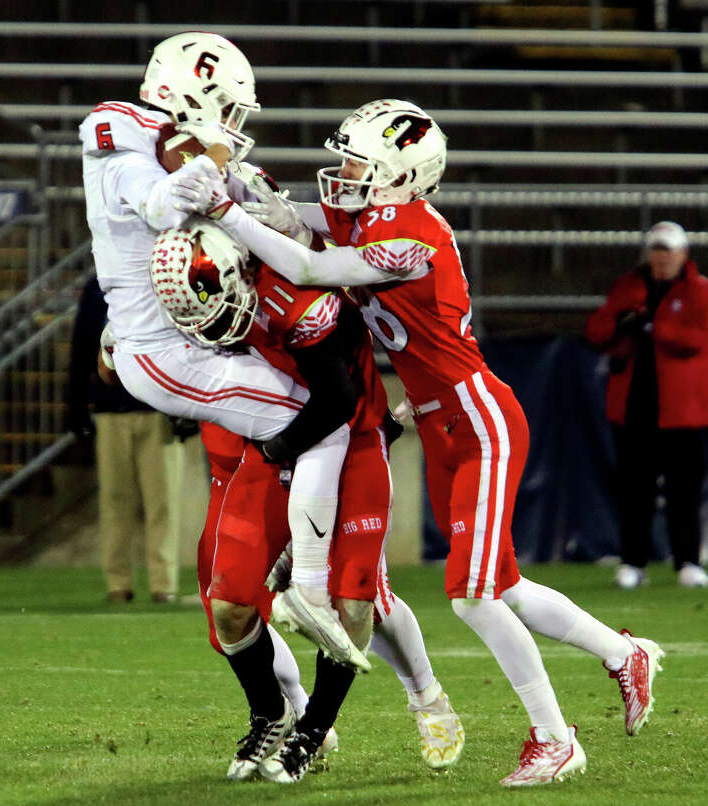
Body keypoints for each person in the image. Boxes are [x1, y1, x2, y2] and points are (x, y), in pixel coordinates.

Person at [183, 99, 666, 787]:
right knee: (503, 587)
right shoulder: (369, 212)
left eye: (360, 161)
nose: (344, 170)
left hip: (477, 419)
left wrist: (235, 215)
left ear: (400, 174)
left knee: (471, 595)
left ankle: (555, 739)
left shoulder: (410, 237)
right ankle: (624, 655)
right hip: (438, 418)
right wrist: (227, 180)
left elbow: (313, 267)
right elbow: (289, 217)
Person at [79, 31, 365, 669]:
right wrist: (210, 153)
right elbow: (162, 205)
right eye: (226, 110)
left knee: (316, 422)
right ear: (189, 94)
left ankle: (295, 572)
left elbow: (238, 213)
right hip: (167, 354)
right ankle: (309, 585)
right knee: (326, 425)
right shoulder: (119, 135)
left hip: (163, 341)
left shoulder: (158, 142)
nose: (232, 127)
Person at [151, 220, 464, 782]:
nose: (220, 330)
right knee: (227, 606)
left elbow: (337, 403)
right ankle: (271, 712)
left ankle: (324, 728)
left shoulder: (296, 294)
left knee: (357, 604)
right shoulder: (196, 283)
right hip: (267, 454)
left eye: (223, 316)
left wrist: (281, 450)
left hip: (341, 444)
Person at [585, 221, 708, 590]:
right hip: (634, 406)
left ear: (683, 254)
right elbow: (596, 331)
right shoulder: (628, 287)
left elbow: (702, 339)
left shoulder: (700, 291)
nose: (662, 258)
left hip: (681, 410)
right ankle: (632, 563)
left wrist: (655, 328)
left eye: (669, 250)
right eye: (657, 250)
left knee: (684, 490)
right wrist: (621, 321)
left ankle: (688, 562)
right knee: (635, 491)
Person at [66, 274, 181, 602]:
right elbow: (82, 346)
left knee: (162, 501)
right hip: (110, 408)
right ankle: (119, 583)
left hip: (157, 406)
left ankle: (163, 583)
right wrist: (76, 406)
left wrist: (185, 406)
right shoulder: (95, 286)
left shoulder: (160, 277)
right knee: (116, 499)